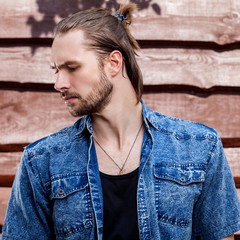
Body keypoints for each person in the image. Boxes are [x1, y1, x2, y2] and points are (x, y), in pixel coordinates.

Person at [1, 2, 240, 240]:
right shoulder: (41, 161)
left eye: (72, 67)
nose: (59, 84)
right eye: (56, 70)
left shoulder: (200, 148)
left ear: (113, 63)